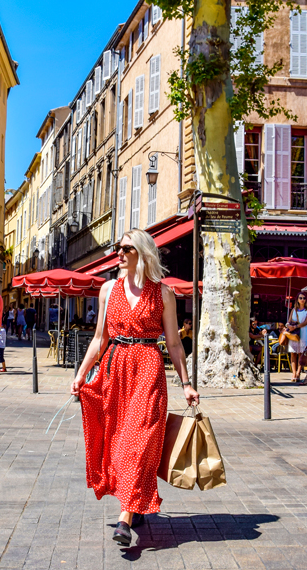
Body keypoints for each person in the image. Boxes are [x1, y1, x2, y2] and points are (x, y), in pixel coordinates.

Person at [71, 229, 199, 546]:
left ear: (141, 252)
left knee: (138, 442)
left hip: (148, 369)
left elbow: (173, 343)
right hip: (116, 369)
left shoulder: (163, 293)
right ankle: (135, 502)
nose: (119, 253)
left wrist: (186, 383)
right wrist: (81, 372)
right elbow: (100, 339)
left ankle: (125, 518)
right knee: (118, 442)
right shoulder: (108, 289)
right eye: (118, 247)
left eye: (125, 248)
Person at [286, 294, 307, 383]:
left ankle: (298, 372)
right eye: (300, 298)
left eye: (304, 298)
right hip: (294, 333)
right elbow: (288, 321)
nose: (302, 299)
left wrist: (296, 326)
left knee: (301, 353)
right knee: (293, 353)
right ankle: (293, 373)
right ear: (297, 299)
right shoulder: (294, 310)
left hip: (303, 332)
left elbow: (306, 322)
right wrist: (289, 326)